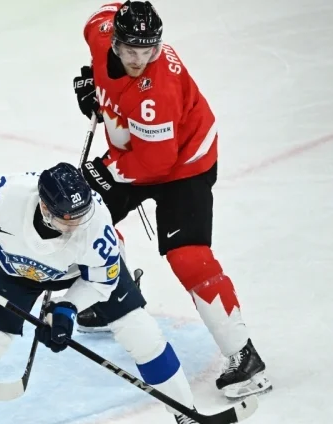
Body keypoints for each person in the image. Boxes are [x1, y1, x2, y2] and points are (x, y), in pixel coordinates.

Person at [0, 163, 213, 424]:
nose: (77, 224)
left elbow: (100, 282)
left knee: (141, 332)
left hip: (81, 274)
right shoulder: (5, 196)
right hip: (15, 272)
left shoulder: (96, 227)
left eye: (81, 215)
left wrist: (68, 308)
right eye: (68, 218)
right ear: (45, 208)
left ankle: (185, 411)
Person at [72, 0, 271, 400]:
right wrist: (95, 85)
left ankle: (244, 356)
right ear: (114, 40)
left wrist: (106, 173)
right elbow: (105, 12)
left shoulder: (157, 90)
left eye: (148, 51)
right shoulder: (101, 32)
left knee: (187, 255)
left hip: (185, 164)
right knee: (82, 215)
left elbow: (155, 164)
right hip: (140, 151)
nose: (139, 60)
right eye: (131, 50)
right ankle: (113, 295)